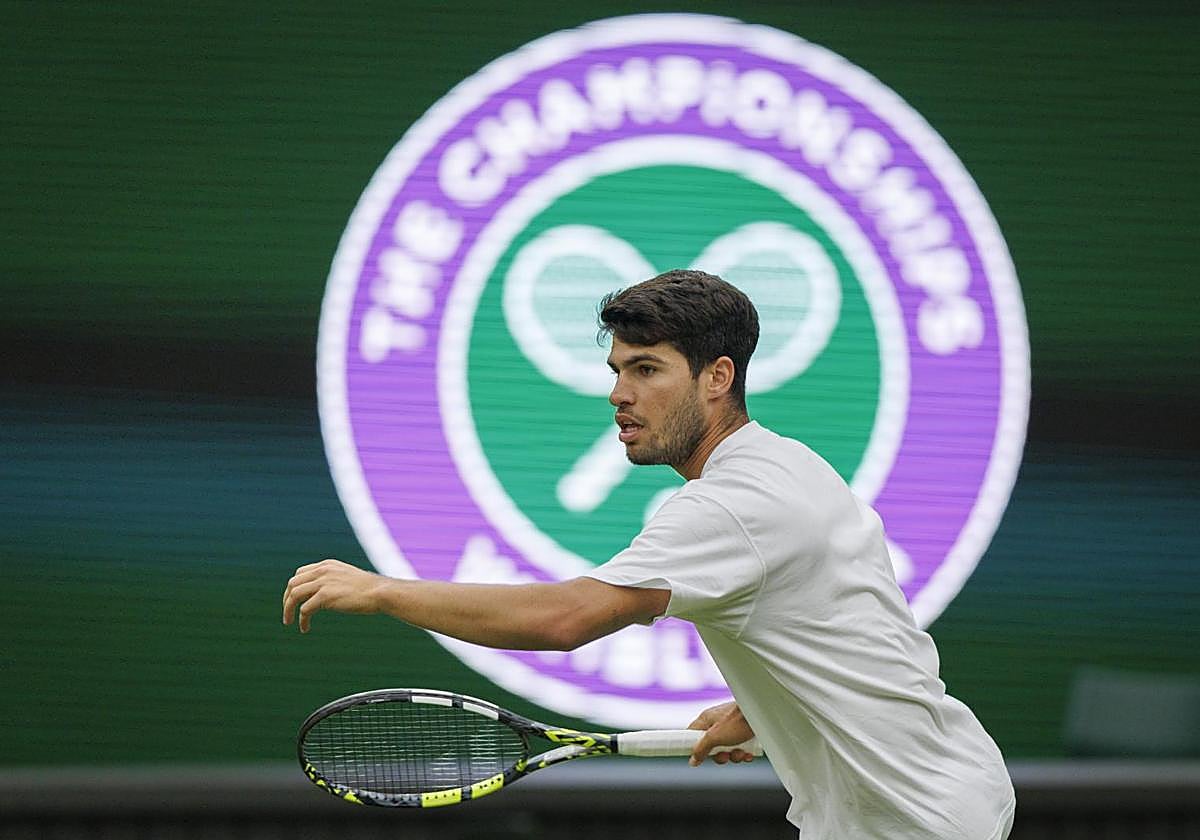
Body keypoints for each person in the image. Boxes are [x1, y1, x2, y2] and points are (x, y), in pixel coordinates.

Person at [283, 269, 1016, 839]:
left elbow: (565, 618)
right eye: (616, 371)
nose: (619, 394)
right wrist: (772, 708)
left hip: (907, 824)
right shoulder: (789, 464)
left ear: (717, 377)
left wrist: (382, 592)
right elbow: (855, 621)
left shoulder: (729, 505)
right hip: (949, 793)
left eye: (646, 369)